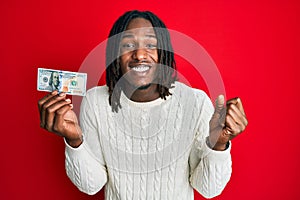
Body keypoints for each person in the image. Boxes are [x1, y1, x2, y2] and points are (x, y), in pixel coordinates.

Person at [38, 10, 248, 200]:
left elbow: (208, 189)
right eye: (128, 45)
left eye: (150, 45)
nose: (139, 54)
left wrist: (219, 144)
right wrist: (75, 141)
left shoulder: (195, 102)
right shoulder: (95, 102)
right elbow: (91, 185)